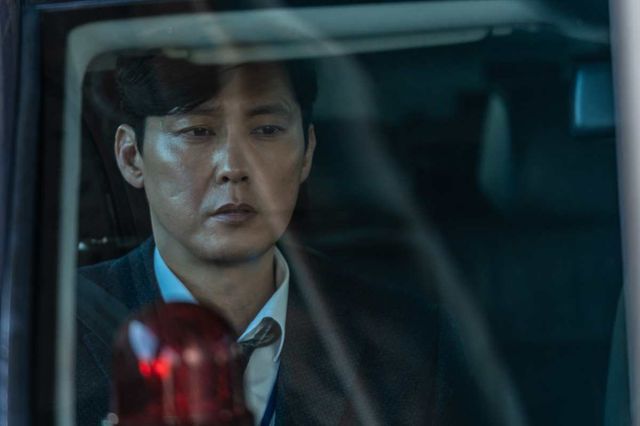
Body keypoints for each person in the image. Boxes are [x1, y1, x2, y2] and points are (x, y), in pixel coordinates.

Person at [76, 53, 484, 426]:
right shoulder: (58, 328)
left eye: (267, 129)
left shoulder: (408, 341)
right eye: (198, 131)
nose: (233, 166)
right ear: (131, 156)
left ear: (306, 153)